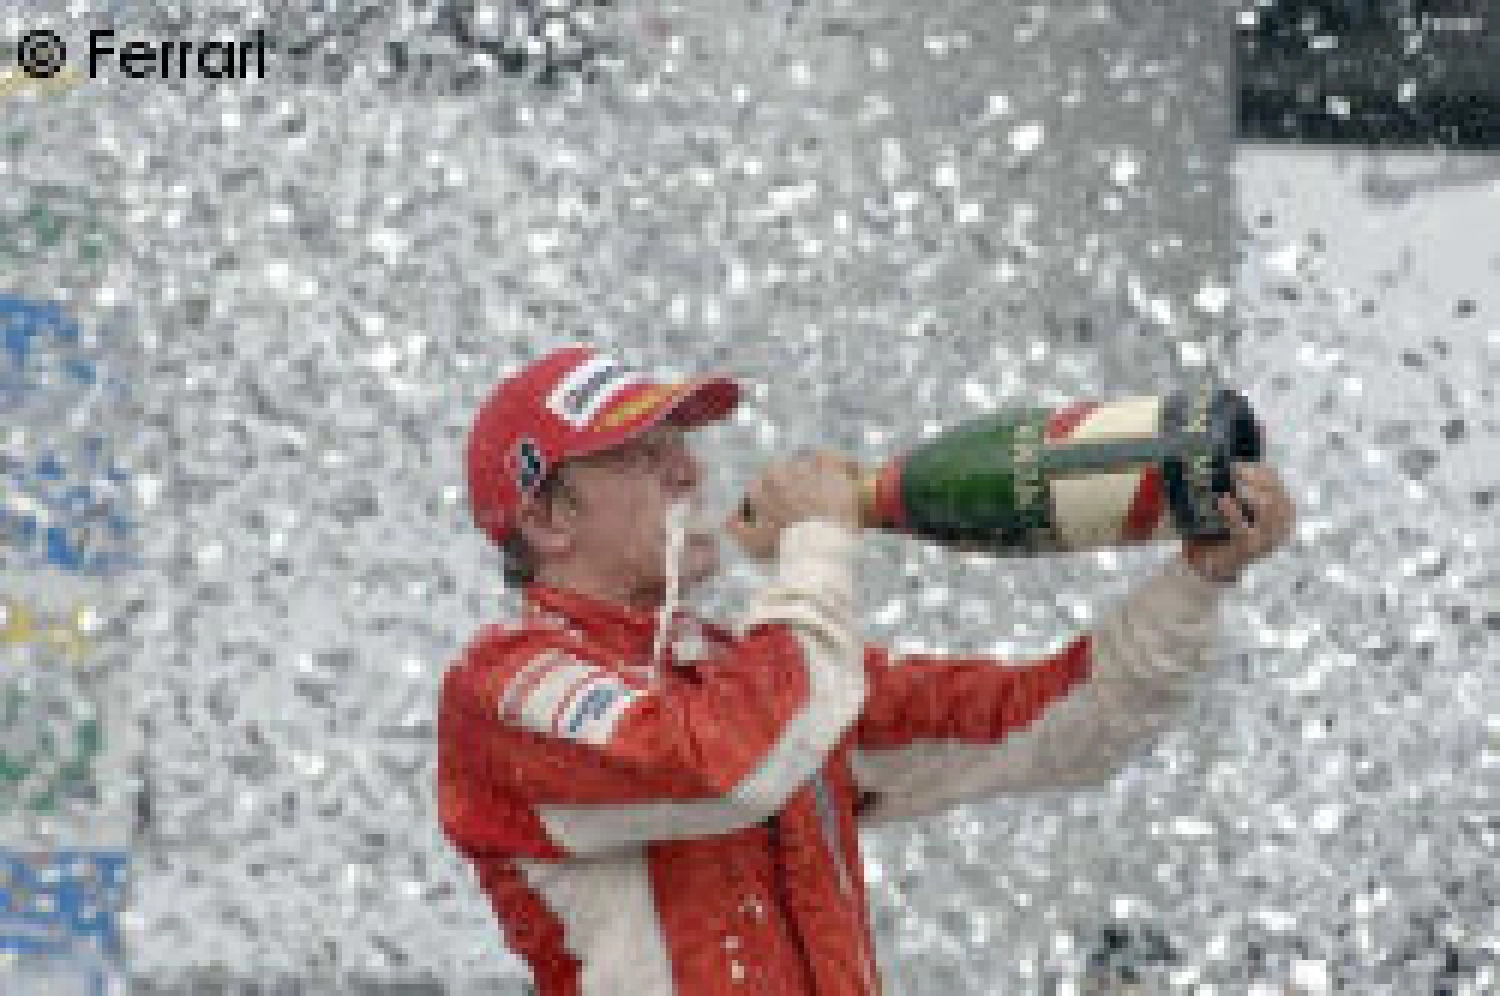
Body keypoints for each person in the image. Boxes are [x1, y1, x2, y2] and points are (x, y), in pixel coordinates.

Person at [438, 345, 1296, 995]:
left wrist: (1197, 581)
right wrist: (814, 543)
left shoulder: (756, 674)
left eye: (683, 442)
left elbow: (1060, 727)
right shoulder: (504, 688)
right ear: (550, 517)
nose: (691, 470)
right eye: (642, 454)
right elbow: (725, 767)